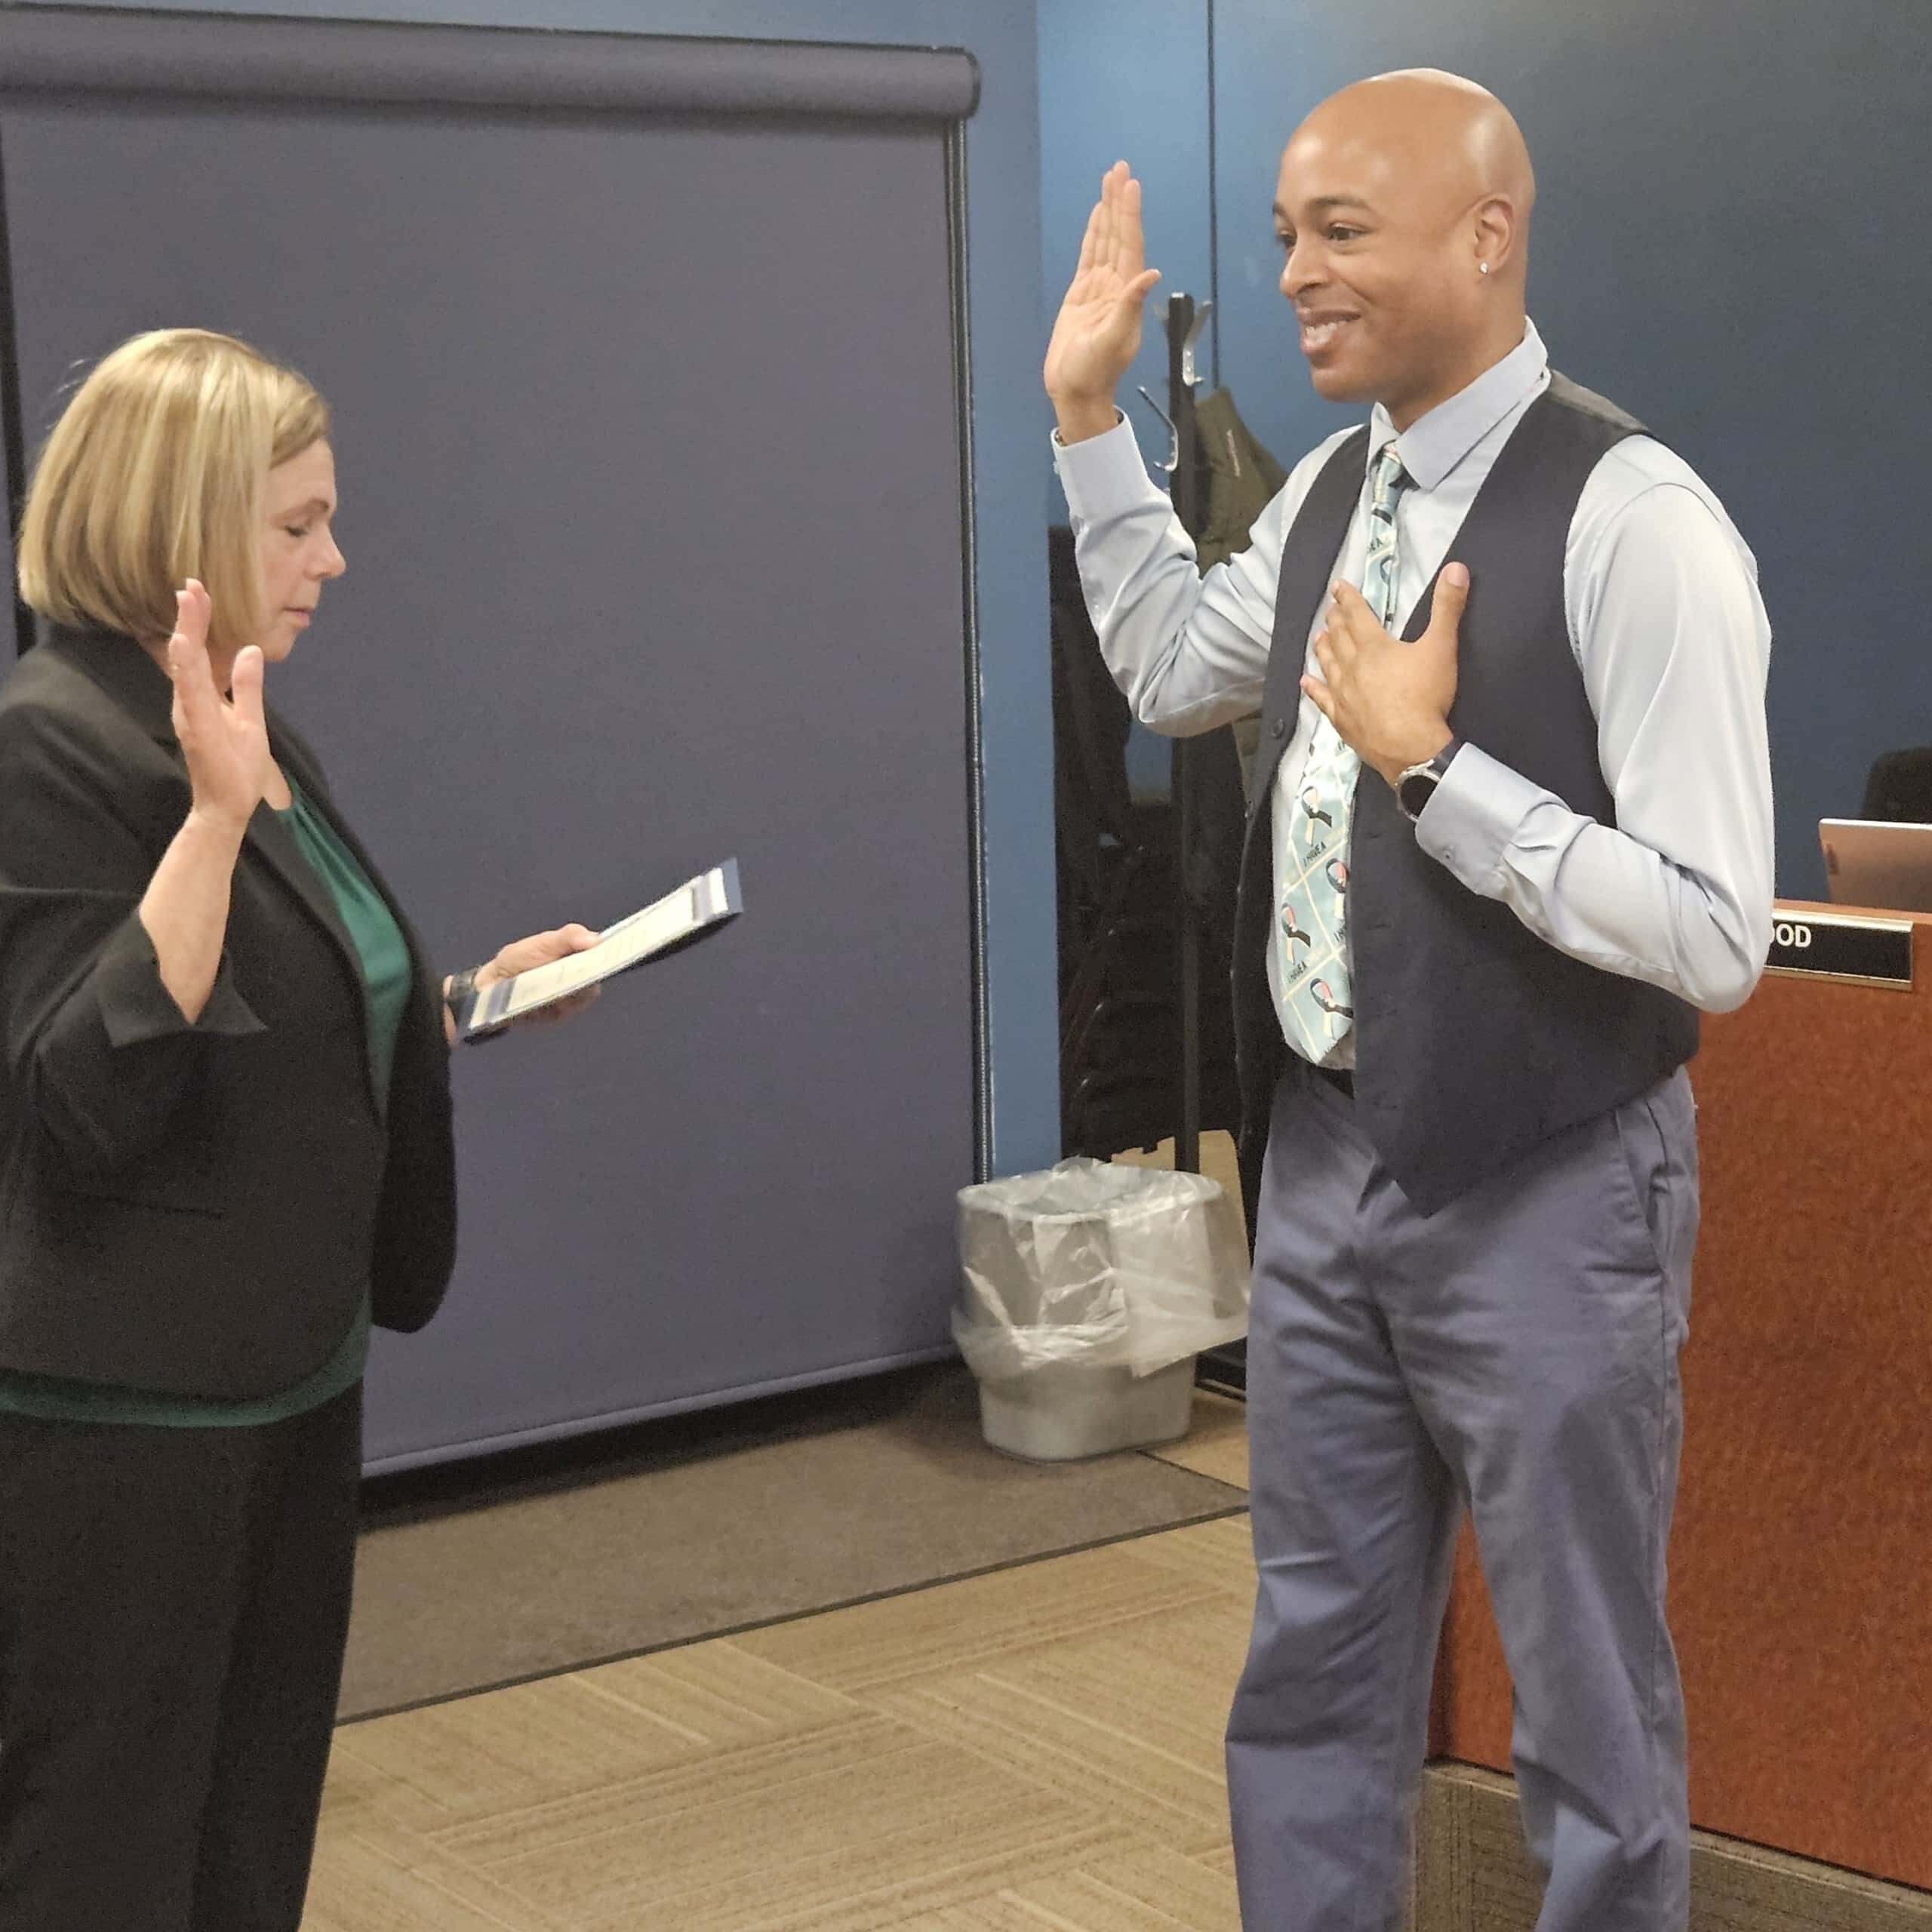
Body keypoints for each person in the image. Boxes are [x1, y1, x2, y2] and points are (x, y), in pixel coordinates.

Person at [1044, 72, 1773, 1932]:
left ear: (1484, 237)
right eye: (1286, 232)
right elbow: (1159, 667)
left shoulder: (1636, 522)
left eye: (1338, 230)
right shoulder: (1318, 504)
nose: (1293, 271)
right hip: (1324, 1171)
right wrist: (1080, 423)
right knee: (1309, 1667)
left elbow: (1712, 933)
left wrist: (1438, 778)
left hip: (1547, 1178)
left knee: (1581, 1711)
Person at [0, 327, 601, 1931]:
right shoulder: (50, 745)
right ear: (179, 525)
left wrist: (467, 997)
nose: (335, 556)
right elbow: (81, 1101)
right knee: (107, 1846)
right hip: (126, 1421)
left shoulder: (257, 726)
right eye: (295, 524)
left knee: (248, 1819)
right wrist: (208, 821)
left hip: (290, 1374)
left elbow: (286, 1003)